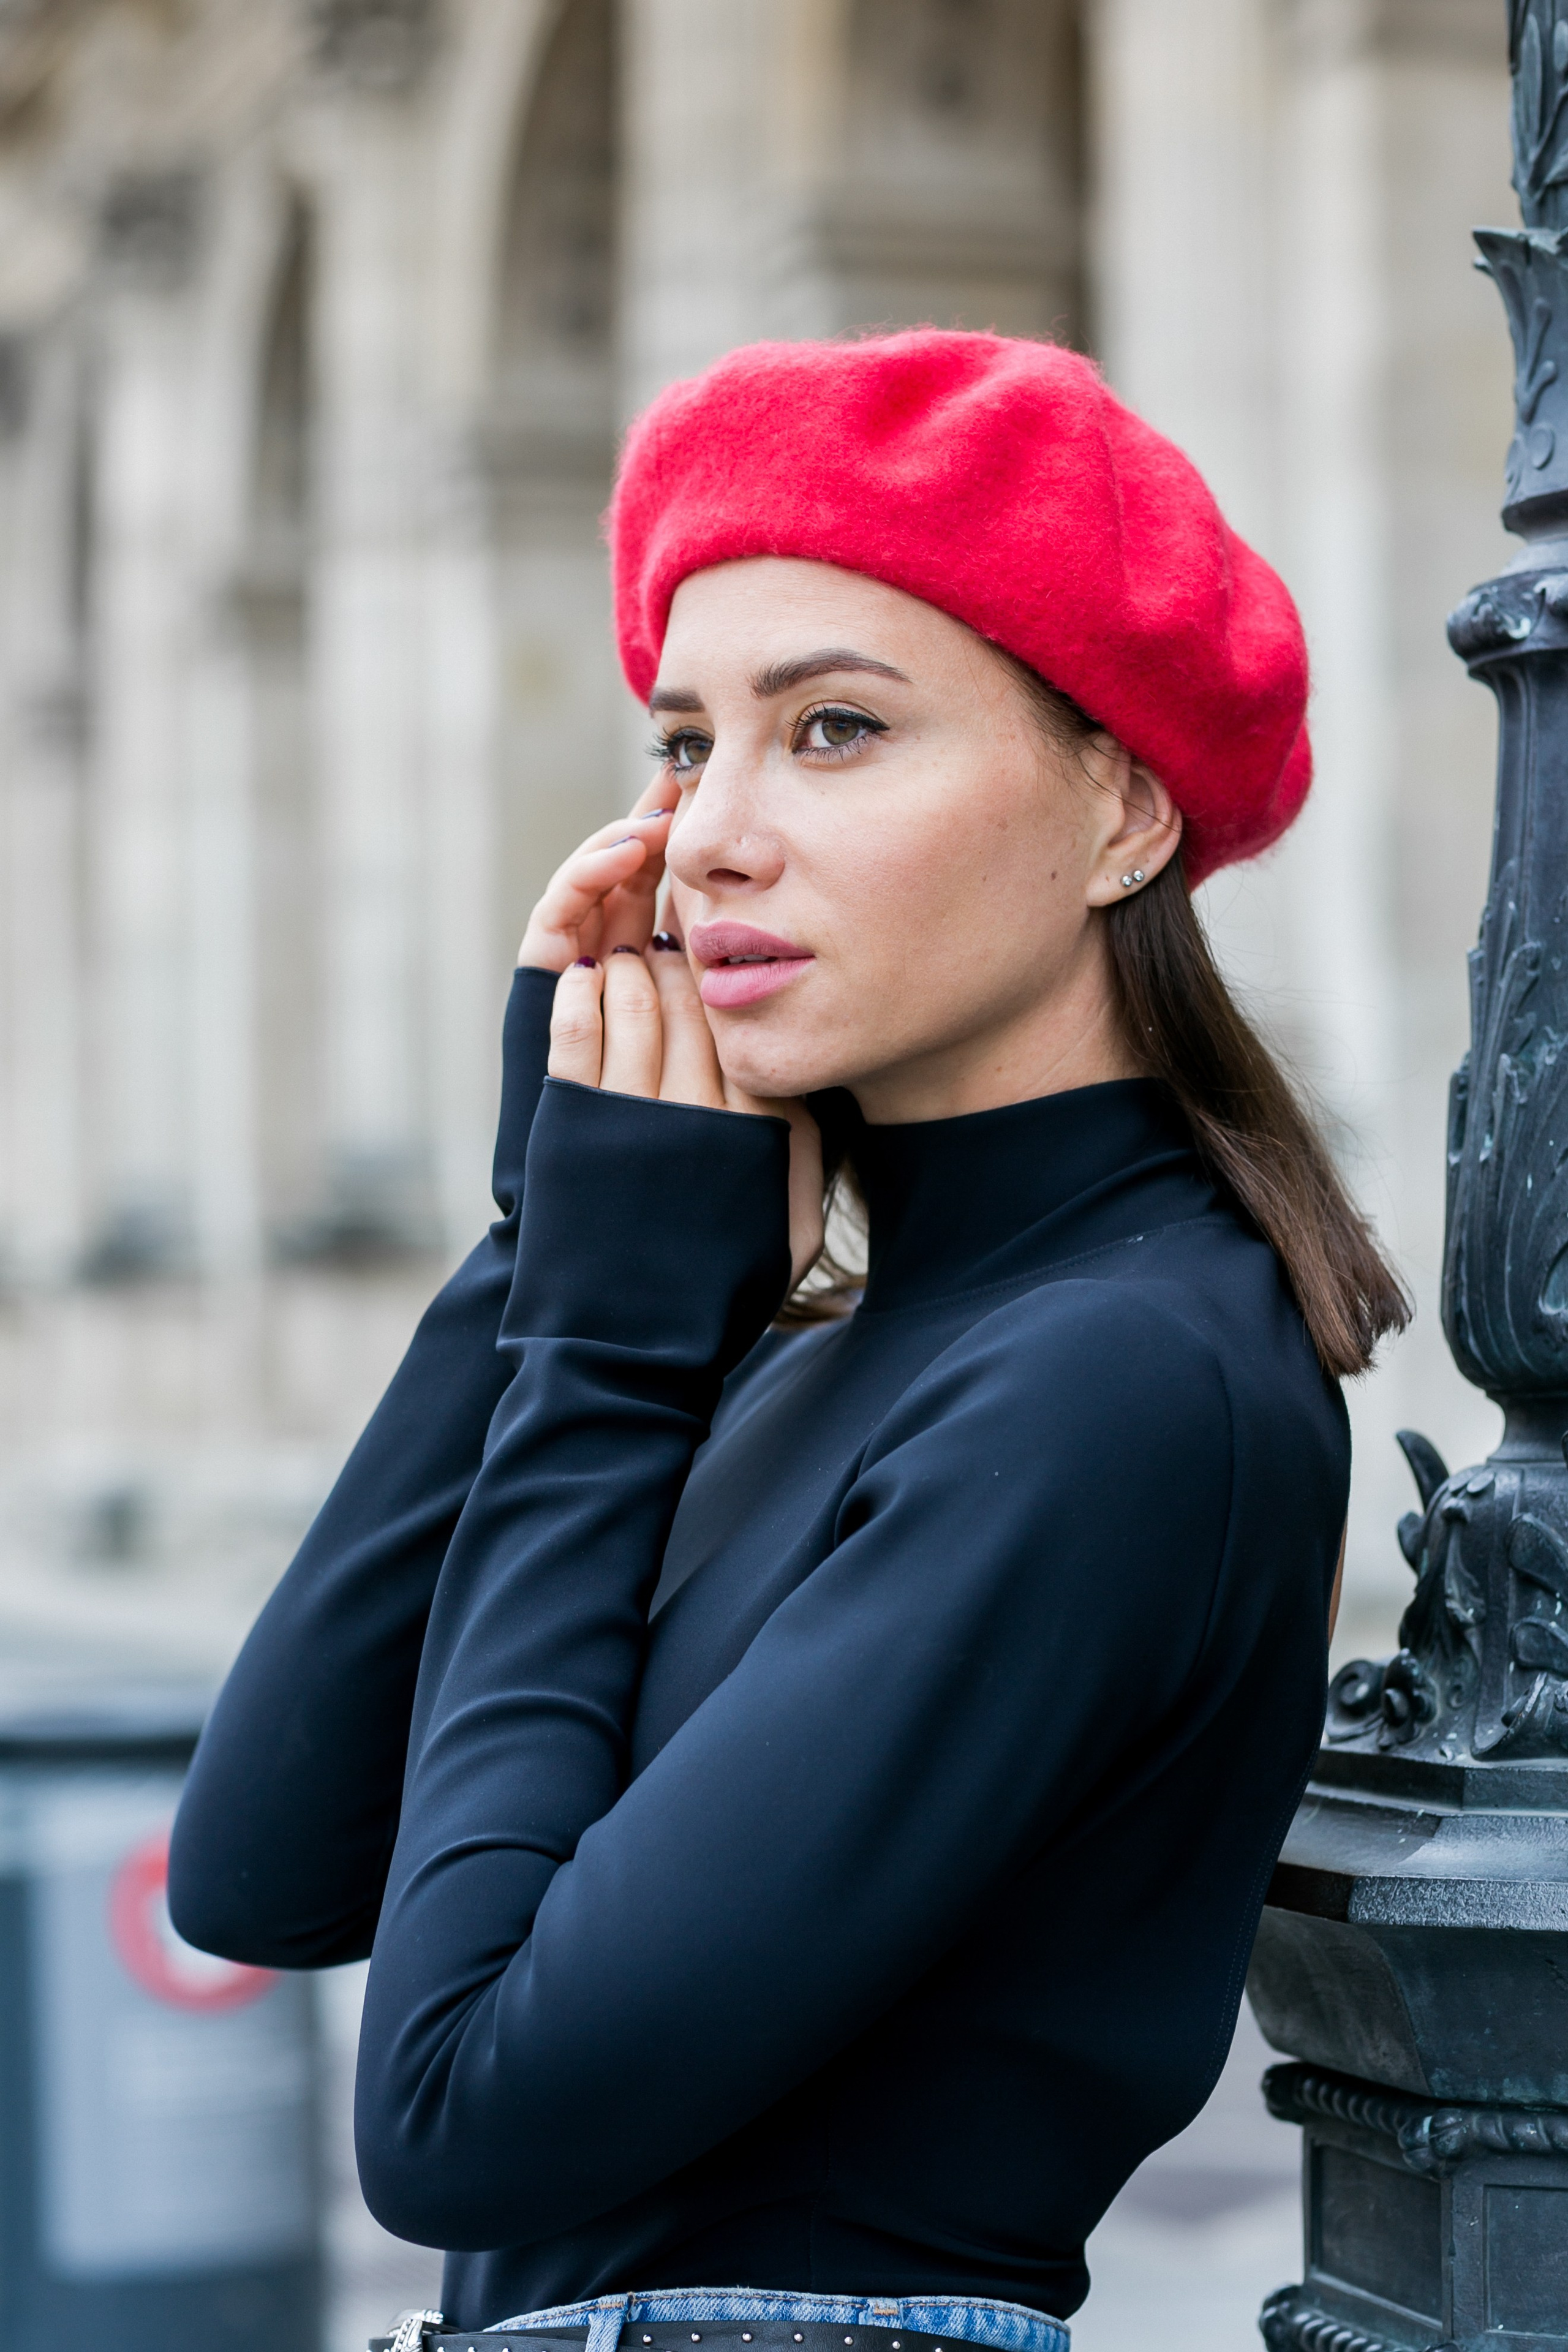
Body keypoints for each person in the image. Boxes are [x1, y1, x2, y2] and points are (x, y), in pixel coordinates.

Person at [168, 331, 1408, 2351]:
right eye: (683, 743)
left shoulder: (1119, 1378)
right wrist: (538, 1237)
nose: (715, 833)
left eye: (834, 731)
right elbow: (262, 1869)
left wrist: (598, 1348)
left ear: (1120, 811)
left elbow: (453, 2121)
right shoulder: (817, 1339)